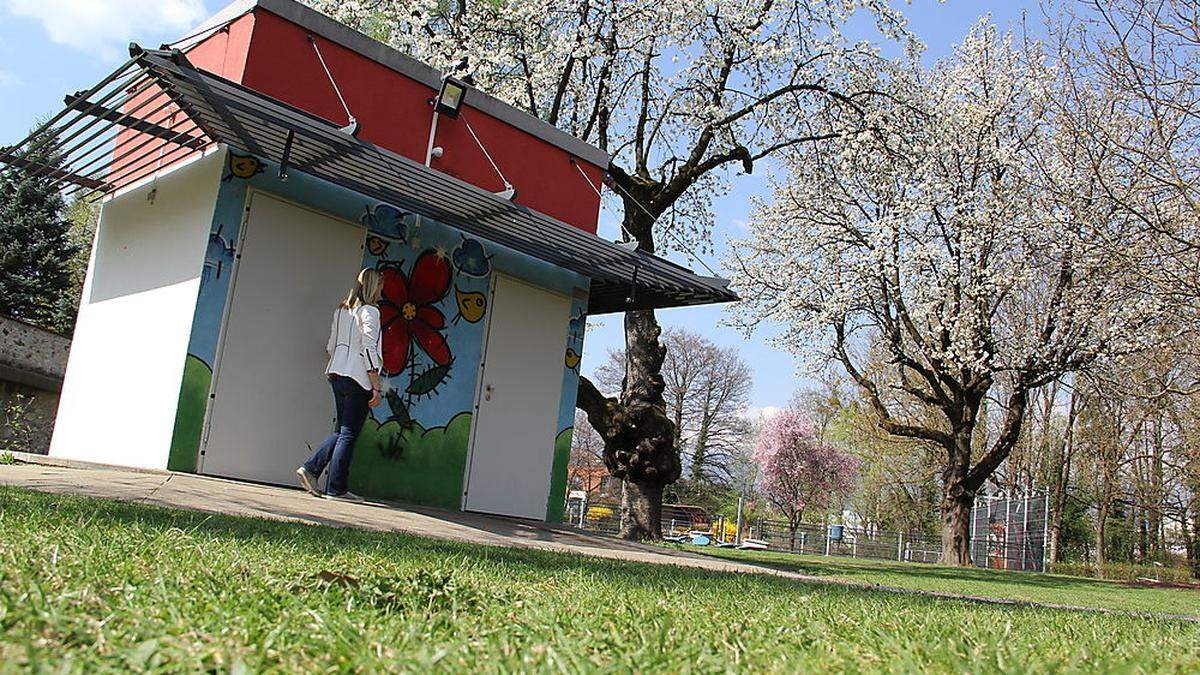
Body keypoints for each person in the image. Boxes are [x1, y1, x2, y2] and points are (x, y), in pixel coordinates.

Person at [296, 268, 383, 501]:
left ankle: (320, 476)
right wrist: (376, 385)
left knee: (342, 430)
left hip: (337, 373)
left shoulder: (342, 310)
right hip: (358, 377)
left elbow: (330, 346)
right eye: (381, 285)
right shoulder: (370, 312)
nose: (383, 290)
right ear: (374, 286)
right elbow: (369, 348)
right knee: (349, 433)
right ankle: (330, 484)